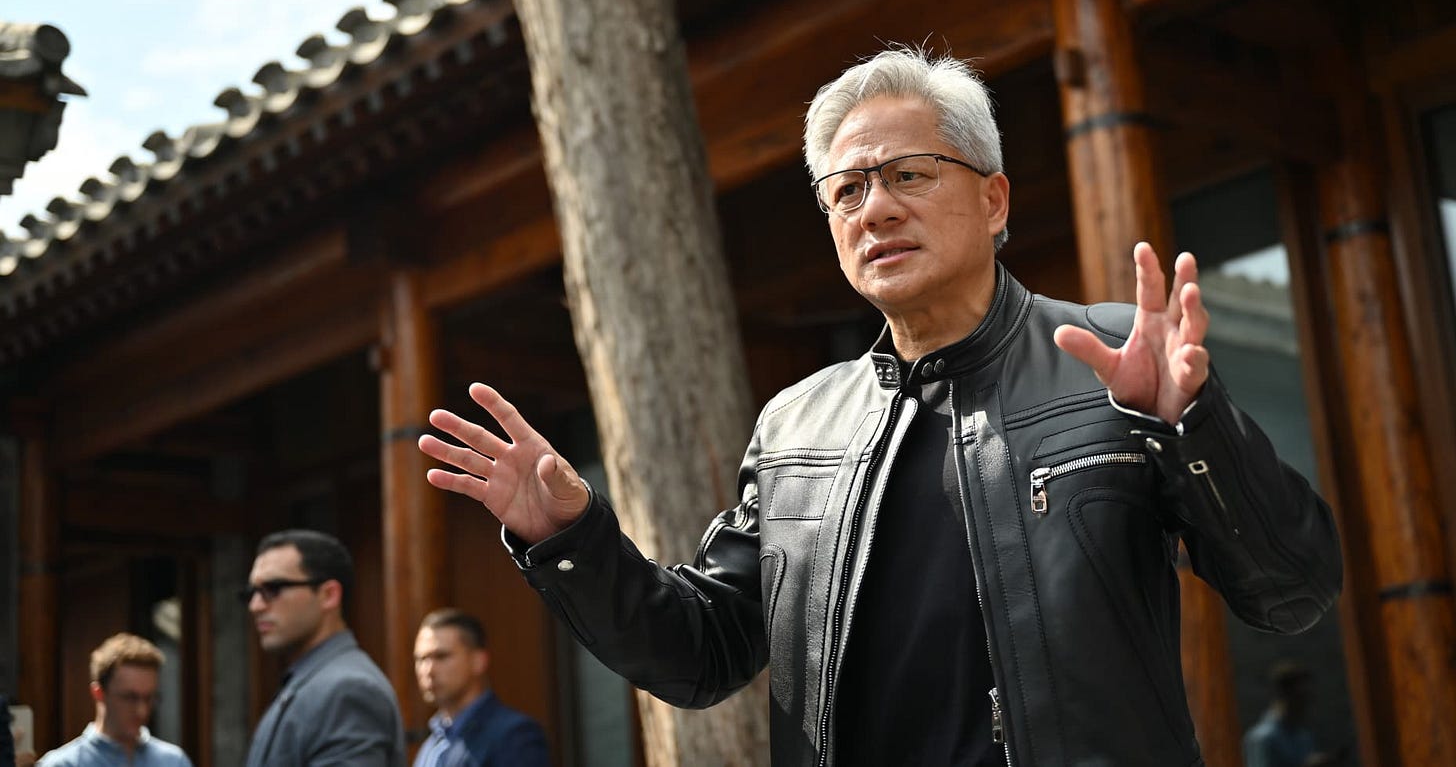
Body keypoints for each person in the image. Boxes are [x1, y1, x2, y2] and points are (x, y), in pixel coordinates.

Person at [418, 47, 1343, 766]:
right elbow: (702, 651)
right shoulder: (796, 426)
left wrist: (1189, 425)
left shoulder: (1114, 362)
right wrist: (572, 538)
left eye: (908, 174)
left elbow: (1293, 589)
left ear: (993, 199)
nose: (875, 209)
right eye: (847, 190)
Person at [243, 529, 406, 767]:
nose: (255, 605)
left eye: (273, 588)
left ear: (328, 595)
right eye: (252, 592)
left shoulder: (348, 689)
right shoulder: (312, 680)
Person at [412, 609, 550, 767]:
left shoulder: (514, 736)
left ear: (478, 661)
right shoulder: (431, 745)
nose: (428, 670)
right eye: (421, 659)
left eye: (441, 656)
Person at [38, 633, 191, 766]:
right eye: (130, 698)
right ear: (98, 693)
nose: (141, 710)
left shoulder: (174, 761)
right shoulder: (64, 764)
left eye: (149, 698)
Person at [1244, 662, 1346, 767]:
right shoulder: (1262, 738)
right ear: (1284, 693)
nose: (1307, 703)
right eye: (1302, 696)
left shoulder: (1303, 736)